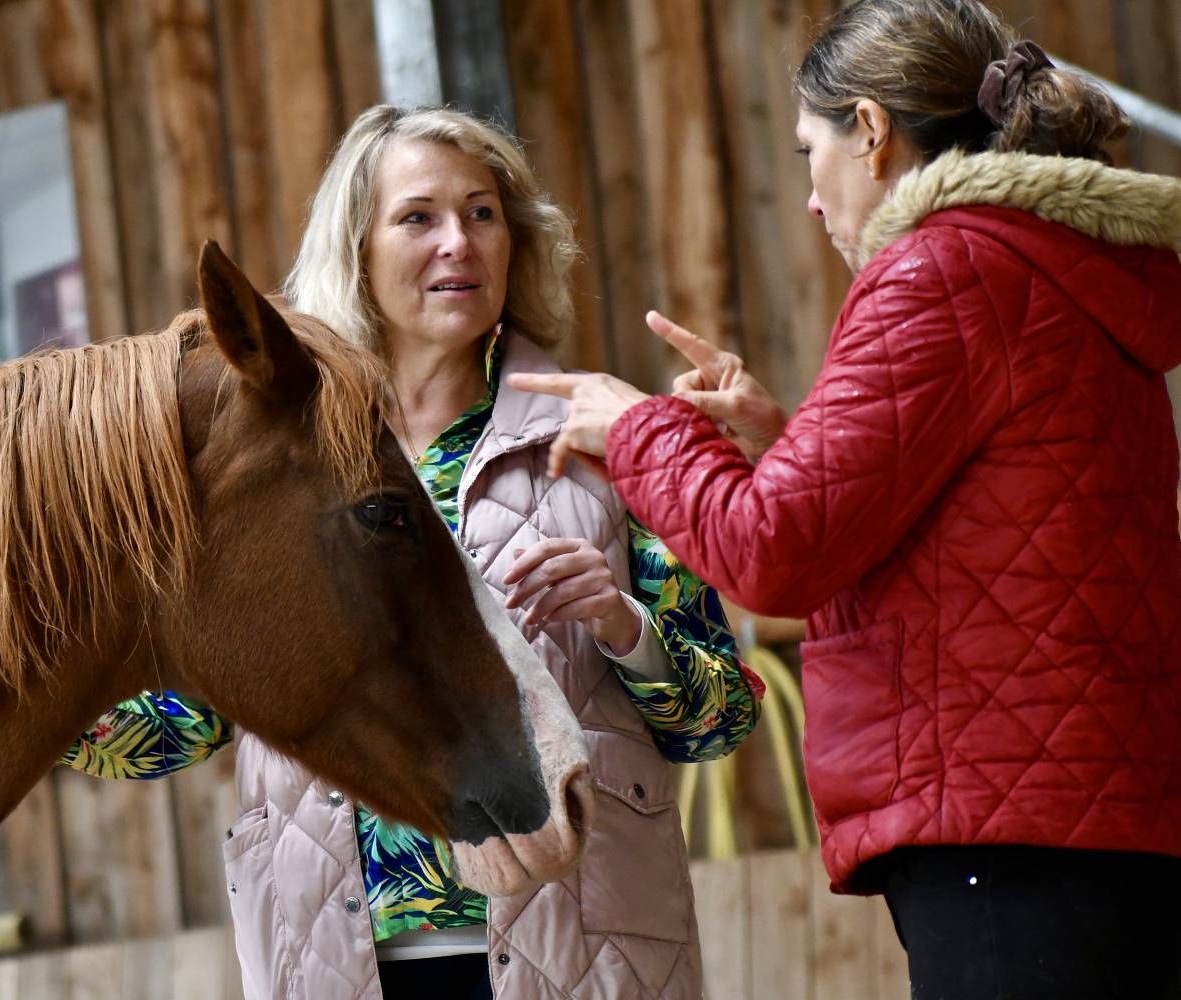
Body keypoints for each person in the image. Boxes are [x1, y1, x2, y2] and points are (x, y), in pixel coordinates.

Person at [510, 2, 1181, 998]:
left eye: (807, 152)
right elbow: (983, 522)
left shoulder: (941, 269)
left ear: (870, 131)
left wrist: (640, 426)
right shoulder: (1041, 263)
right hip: (1088, 813)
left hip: (1002, 826)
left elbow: (777, 550)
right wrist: (783, 443)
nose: (813, 201)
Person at [61, 105, 763, 1000]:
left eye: (482, 213)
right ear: (356, 247)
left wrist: (623, 625)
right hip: (335, 968)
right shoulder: (280, 477)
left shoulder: (607, 435)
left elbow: (720, 720)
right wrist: (26, 700)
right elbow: (180, 723)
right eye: (418, 217)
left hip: (581, 960)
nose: (459, 244)